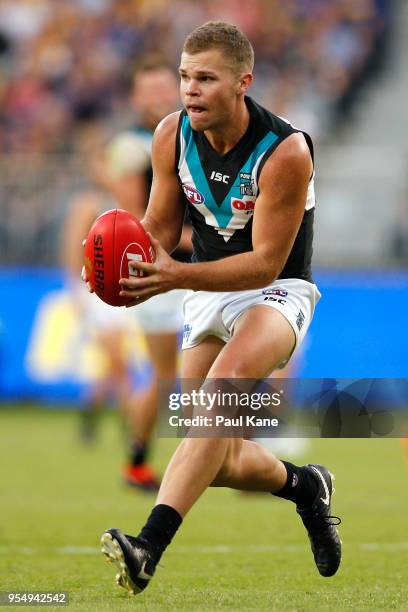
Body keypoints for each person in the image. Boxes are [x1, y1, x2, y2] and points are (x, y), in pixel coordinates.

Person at [94, 22, 342, 593]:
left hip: (277, 291)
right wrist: (115, 261)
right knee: (217, 453)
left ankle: (147, 546)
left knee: (222, 390)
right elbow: (157, 225)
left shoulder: (285, 150)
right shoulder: (169, 135)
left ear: (242, 82)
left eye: (205, 78)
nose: (190, 90)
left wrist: (175, 275)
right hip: (207, 295)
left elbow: (262, 264)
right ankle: (306, 486)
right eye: (185, 77)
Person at [93, 57, 193, 489]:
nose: (157, 97)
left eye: (162, 89)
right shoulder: (133, 145)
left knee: (179, 372)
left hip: (188, 268)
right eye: (148, 90)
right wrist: (207, 239)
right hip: (162, 270)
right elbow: (136, 218)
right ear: (136, 97)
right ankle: (138, 458)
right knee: (166, 373)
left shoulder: (181, 134)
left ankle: (146, 458)